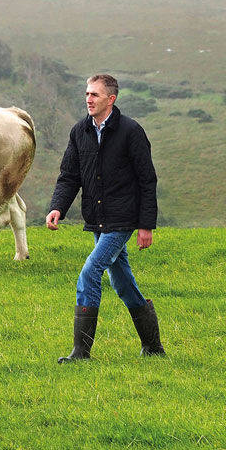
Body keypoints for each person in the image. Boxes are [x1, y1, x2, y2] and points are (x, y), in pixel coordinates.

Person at [46, 73, 164, 362]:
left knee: (90, 272)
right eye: (87, 93)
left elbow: (147, 180)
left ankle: (81, 353)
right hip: (97, 218)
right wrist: (58, 207)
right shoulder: (79, 131)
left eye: (95, 94)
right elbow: (69, 176)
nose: (88, 99)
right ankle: (153, 347)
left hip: (123, 219)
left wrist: (146, 225)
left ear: (111, 99)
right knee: (122, 282)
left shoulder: (131, 131)